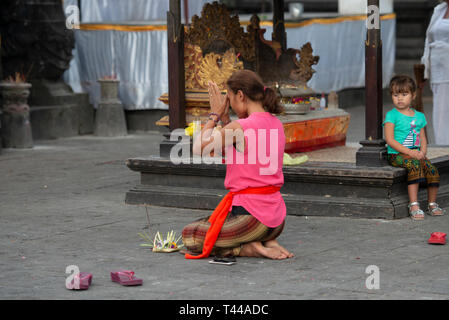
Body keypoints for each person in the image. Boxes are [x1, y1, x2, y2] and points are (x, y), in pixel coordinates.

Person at [181, 70, 294, 260]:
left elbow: (198, 148)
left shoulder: (240, 128)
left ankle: (248, 248)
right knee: (212, 225)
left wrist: (214, 115)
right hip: (276, 220)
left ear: (240, 95)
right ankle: (268, 240)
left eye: (230, 99)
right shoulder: (276, 124)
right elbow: (243, 147)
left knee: (190, 235)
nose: (230, 106)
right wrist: (226, 121)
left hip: (251, 218)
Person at [384, 75, 444, 221]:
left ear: (413, 95)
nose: (400, 98)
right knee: (415, 165)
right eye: (395, 95)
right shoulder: (392, 115)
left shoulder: (419, 116)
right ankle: (414, 205)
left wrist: (423, 152)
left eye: (404, 94)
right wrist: (411, 152)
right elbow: (390, 140)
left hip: (416, 153)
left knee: (432, 169)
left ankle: (431, 203)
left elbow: (423, 138)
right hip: (397, 154)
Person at [421, 0, 449, 145]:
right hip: (438, 69)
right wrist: (425, 66)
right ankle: (443, 148)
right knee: (440, 112)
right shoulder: (439, 9)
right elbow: (428, 39)